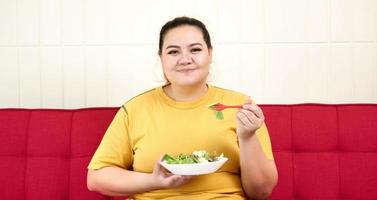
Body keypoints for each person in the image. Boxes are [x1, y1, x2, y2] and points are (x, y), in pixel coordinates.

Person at [87, 16, 278, 200]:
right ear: (161, 58)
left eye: (195, 50)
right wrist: (153, 181)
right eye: (173, 52)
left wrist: (247, 137)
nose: (185, 59)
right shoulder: (135, 109)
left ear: (210, 53)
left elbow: (260, 193)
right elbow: (96, 178)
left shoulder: (240, 106)